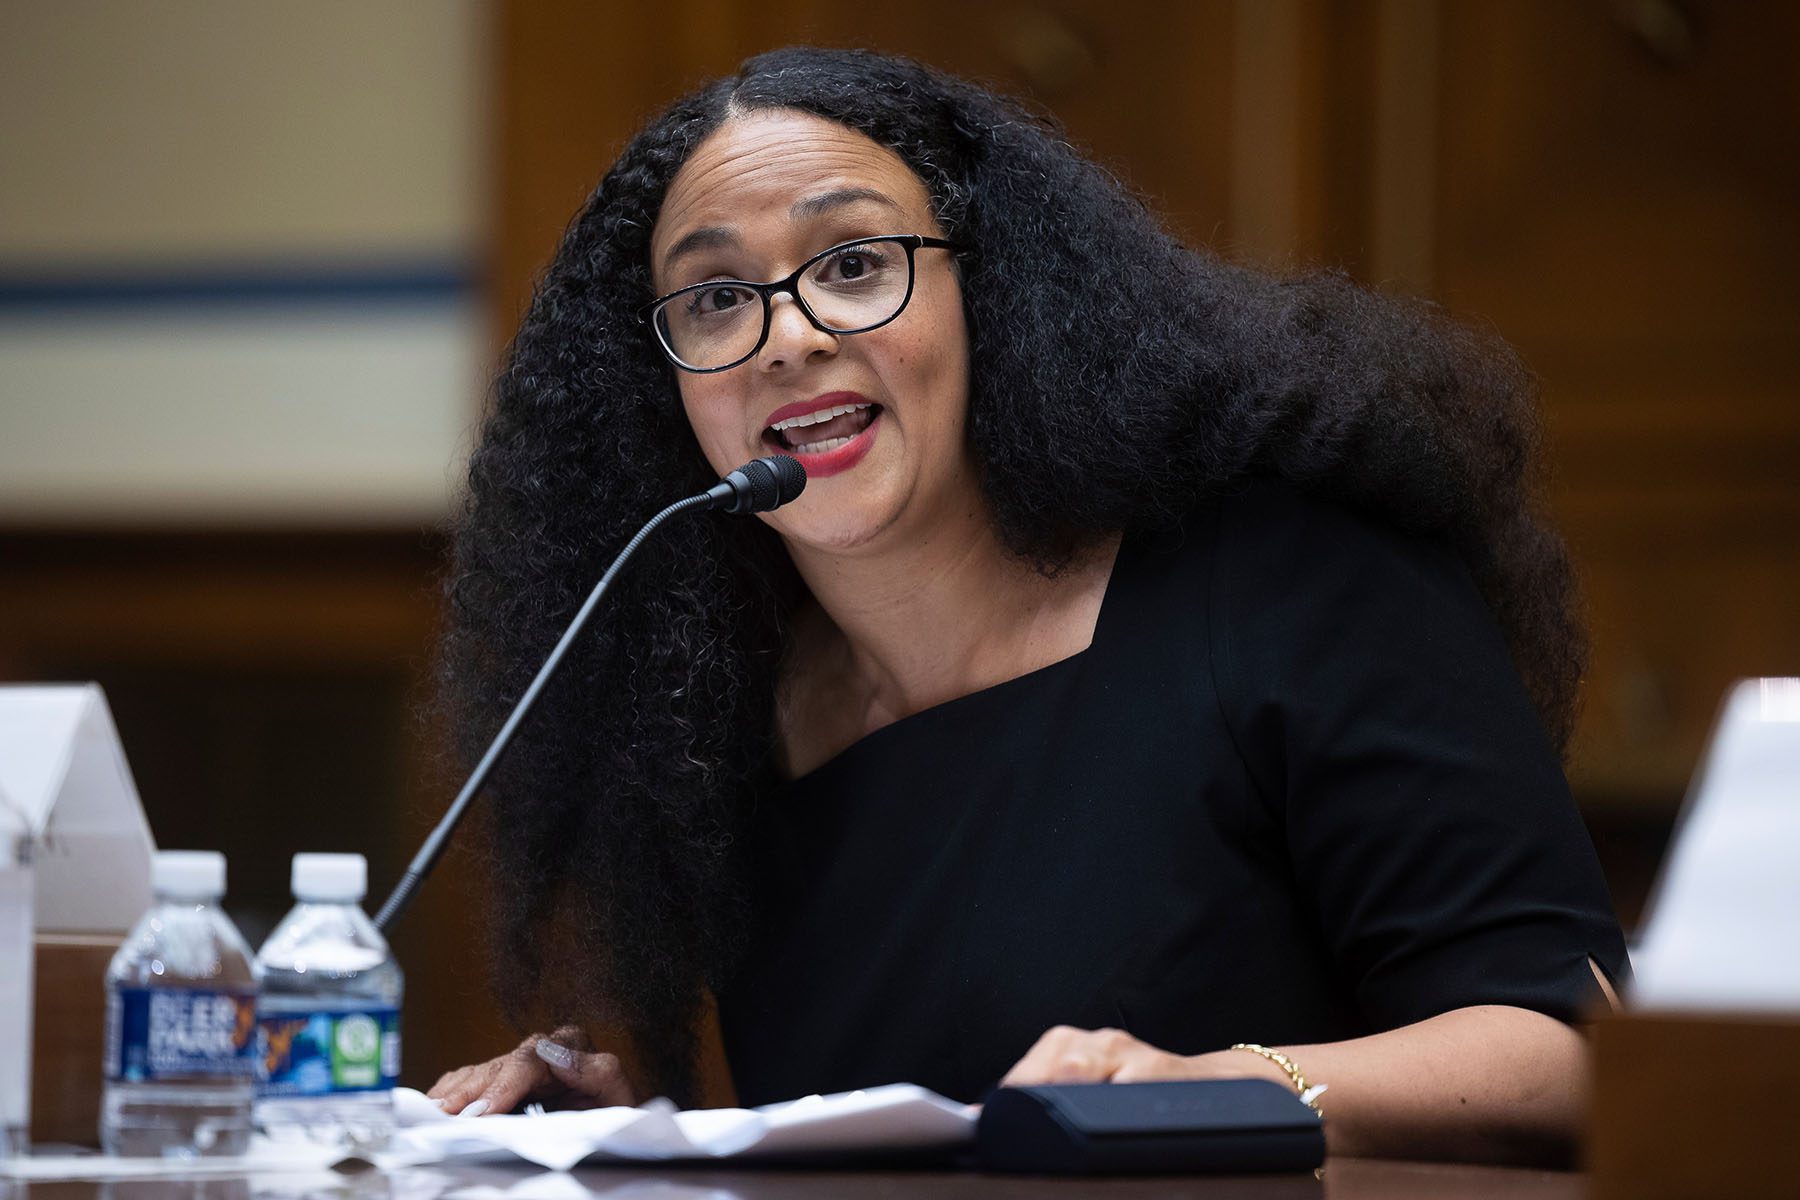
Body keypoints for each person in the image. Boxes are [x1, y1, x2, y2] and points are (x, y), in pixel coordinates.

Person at [426, 47, 1629, 1162]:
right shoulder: (722, 733)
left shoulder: (1292, 582)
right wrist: (622, 1138)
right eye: (715, 300)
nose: (785, 337)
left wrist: (1221, 1087)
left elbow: (1568, 1052)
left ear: (994, 294)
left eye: (853, 265)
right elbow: (913, 1128)